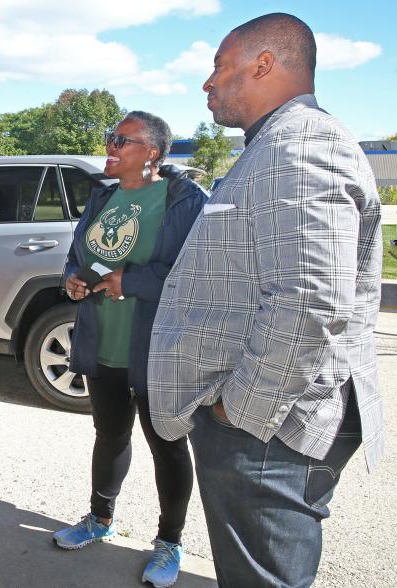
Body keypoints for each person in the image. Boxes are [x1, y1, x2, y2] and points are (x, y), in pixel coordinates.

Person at [148, 13, 383, 587]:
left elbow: (309, 299)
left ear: (263, 65)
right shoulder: (276, 142)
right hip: (268, 422)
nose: (208, 82)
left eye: (219, 67)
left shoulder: (302, 144)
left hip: (269, 428)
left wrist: (242, 410)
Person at [54, 111, 207, 588]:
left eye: (122, 139)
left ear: (153, 152)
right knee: (110, 434)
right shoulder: (103, 196)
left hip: (158, 347)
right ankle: (100, 520)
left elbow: (198, 275)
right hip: (104, 340)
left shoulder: (185, 200)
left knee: (167, 445)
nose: (111, 145)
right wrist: (73, 280)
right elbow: (78, 257)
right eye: (110, 137)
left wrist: (133, 281)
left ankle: (169, 542)